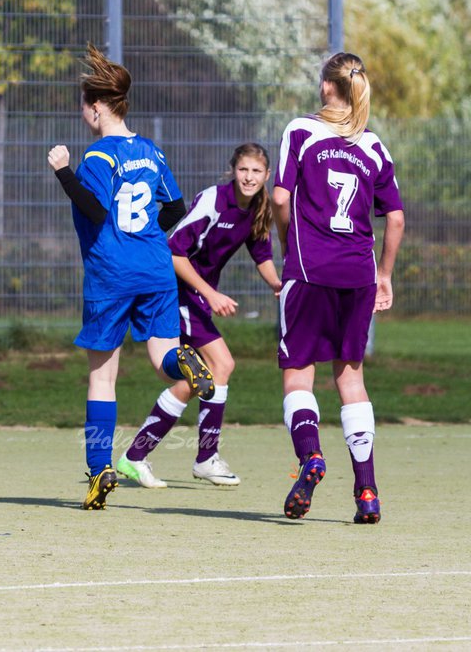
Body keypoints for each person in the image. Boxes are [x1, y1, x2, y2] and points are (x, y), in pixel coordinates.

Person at [47, 44, 214, 510]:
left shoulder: (98, 157)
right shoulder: (151, 151)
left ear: (97, 107)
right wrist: (144, 238)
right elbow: (176, 209)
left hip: (111, 273)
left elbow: (95, 207)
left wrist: (63, 172)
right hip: (157, 267)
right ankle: (189, 365)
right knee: (164, 357)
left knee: (103, 377)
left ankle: (100, 467)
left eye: (84, 105)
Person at [272, 52, 403, 524]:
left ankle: (310, 457)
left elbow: (280, 199)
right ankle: (367, 490)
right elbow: (396, 218)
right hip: (358, 276)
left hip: (309, 272)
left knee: (297, 374)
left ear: (329, 87)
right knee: (351, 379)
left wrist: (292, 246)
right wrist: (384, 274)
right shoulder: (373, 146)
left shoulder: (302, 131)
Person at [114, 143, 282, 489]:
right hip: (173, 289)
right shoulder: (213, 201)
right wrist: (211, 293)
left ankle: (135, 456)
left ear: (267, 176)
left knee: (197, 378)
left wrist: (279, 286)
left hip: (194, 295)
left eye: (256, 172)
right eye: (243, 170)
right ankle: (204, 458)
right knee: (220, 365)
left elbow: (261, 254)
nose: (249, 177)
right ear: (233, 170)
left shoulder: (258, 208)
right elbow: (173, 252)